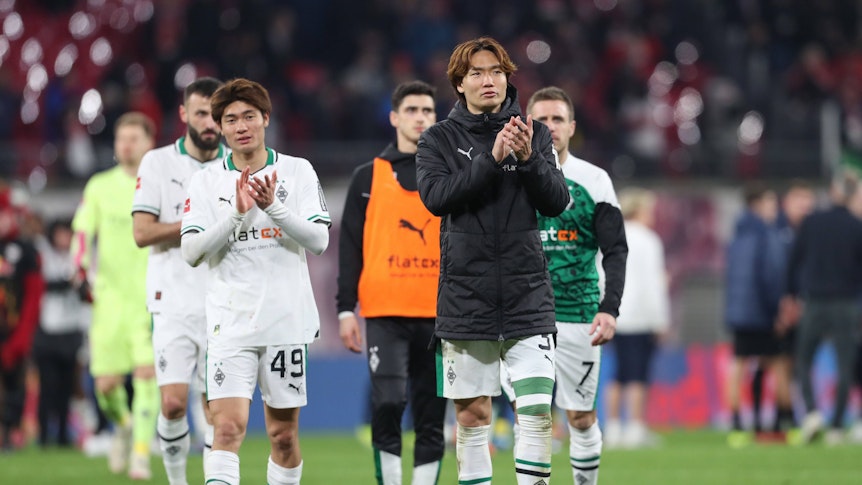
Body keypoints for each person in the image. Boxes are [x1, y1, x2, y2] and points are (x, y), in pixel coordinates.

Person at [415, 38, 570, 485]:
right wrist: (493, 158)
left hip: (527, 296)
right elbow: (437, 198)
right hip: (466, 298)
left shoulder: (535, 134)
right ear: (459, 84)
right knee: (472, 417)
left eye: (497, 71)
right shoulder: (438, 139)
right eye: (478, 73)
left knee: (537, 412)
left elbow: (556, 201)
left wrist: (528, 159)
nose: (489, 80)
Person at [181, 78, 330, 485]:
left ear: (265, 118)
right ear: (220, 127)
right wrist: (236, 215)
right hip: (229, 325)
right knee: (226, 429)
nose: (241, 126)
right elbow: (191, 252)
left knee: (283, 436)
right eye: (231, 119)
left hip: (285, 324)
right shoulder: (206, 181)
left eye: (249, 116)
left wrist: (273, 207)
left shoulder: (297, 170)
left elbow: (319, 240)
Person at [337, 80, 446, 484]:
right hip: (385, 312)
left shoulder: (451, 176)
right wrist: (344, 309)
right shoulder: (367, 178)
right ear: (394, 118)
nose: (420, 118)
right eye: (412, 110)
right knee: (387, 403)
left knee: (432, 416)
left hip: (440, 314)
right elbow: (350, 248)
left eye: (428, 111)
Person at [524, 86, 627, 484]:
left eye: (558, 119)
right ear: (527, 125)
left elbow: (615, 250)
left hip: (578, 312)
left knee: (581, 417)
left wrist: (609, 307)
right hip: (523, 316)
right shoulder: (511, 178)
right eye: (541, 119)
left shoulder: (594, 180)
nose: (550, 127)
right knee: (531, 418)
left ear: (571, 127)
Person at [132, 77, 226, 485]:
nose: (210, 123)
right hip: (171, 300)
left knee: (216, 410)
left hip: (223, 302)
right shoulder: (158, 163)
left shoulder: (235, 165)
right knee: (171, 404)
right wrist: (197, 227)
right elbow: (142, 232)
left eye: (216, 115)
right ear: (184, 113)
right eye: (201, 113)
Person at [71, 112, 159, 479]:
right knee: (106, 385)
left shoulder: (160, 184)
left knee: (146, 374)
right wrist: (79, 271)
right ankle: (123, 425)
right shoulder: (99, 186)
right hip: (108, 299)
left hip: (149, 297)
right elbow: (82, 233)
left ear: (149, 144)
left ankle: (141, 452)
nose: (126, 145)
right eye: (122, 138)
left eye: (134, 138)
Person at [784, 175, 862, 445]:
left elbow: (793, 261)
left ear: (831, 191)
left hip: (815, 301)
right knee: (845, 365)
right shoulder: (856, 226)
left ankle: (812, 413)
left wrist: (789, 296)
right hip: (846, 305)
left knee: (803, 361)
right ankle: (837, 427)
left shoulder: (812, 222)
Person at [604, 187, 668, 449]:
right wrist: (660, 320)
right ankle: (635, 427)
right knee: (638, 374)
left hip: (614, 314)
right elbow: (653, 284)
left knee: (618, 373)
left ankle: (613, 427)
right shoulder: (649, 240)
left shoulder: (611, 235)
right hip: (640, 316)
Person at [722, 183, 784, 448]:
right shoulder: (767, 235)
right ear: (757, 205)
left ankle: (737, 425)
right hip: (761, 312)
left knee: (739, 365)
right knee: (776, 364)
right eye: (771, 202)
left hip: (739, 311)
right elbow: (770, 276)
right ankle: (774, 422)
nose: (775, 208)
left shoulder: (737, 235)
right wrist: (776, 310)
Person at [33, 219, 84, 448]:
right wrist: (68, 282)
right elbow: (44, 283)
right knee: (47, 386)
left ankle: (63, 434)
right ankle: (44, 435)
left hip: (70, 329)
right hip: (48, 330)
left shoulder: (76, 257)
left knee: (66, 387)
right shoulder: (44, 254)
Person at [771, 181, 815, 440]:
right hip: (782, 309)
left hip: (809, 307)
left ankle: (798, 414)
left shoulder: (814, 233)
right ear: (787, 203)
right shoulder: (776, 232)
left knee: (800, 363)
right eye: (800, 201)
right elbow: (773, 273)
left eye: (808, 202)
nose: (804, 207)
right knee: (781, 363)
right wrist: (781, 306)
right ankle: (783, 415)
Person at [0, 186, 43, 450]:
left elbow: (34, 296)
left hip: (14, 330)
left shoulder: (26, 250)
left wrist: (22, 335)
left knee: (15, 382)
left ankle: (10, 431)